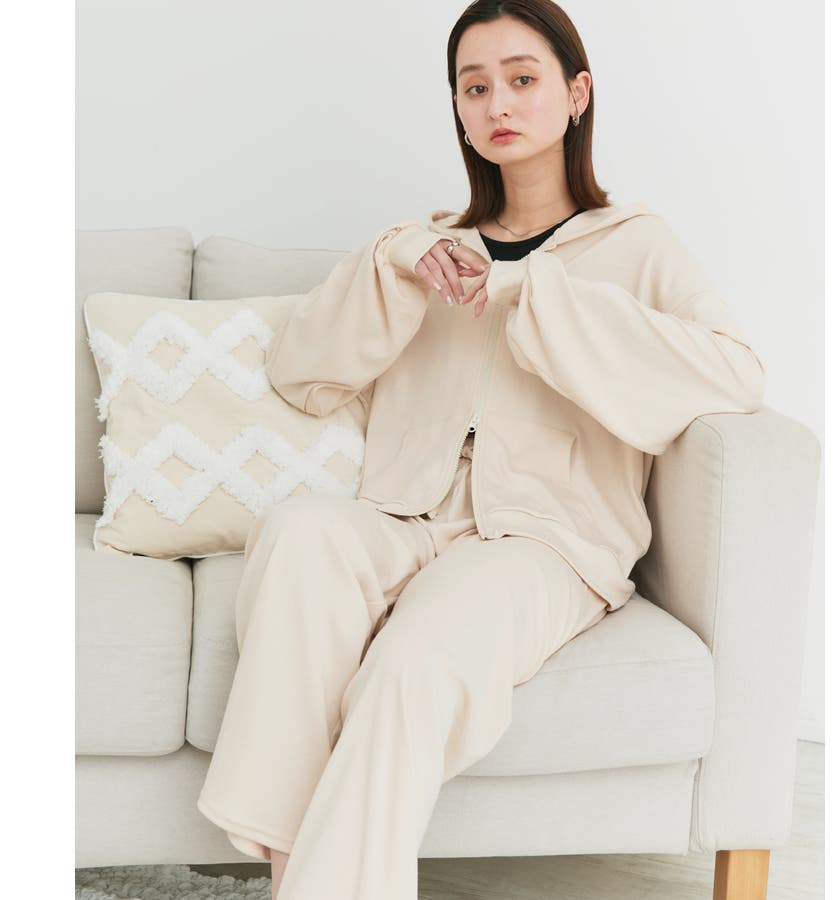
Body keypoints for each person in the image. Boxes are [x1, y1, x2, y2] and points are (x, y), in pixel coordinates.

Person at [196, 2, 766, 898]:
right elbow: (303, 373)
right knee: (301, 532)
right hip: (403, 514)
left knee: (412, 665)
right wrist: (394, 260)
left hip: (544, 542)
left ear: (577, 94)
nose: (497, 102)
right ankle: (296, 873)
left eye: (522, 78)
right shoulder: (431, 252)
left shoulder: (638, 246)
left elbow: (735, 374)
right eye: (474, 86)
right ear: (459, 110)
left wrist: (543, 297)